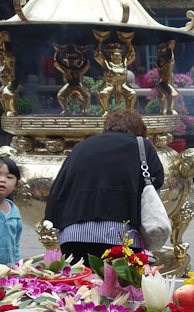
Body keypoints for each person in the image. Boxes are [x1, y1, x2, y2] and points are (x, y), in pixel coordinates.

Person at [44, 109, 164, 263]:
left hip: (73, 237)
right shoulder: (142, 146)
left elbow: (59, 189)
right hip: (122, 238)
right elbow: (154, 195)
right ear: (139, 130)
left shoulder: (81, 147)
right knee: (120, 286)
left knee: (81, 285)